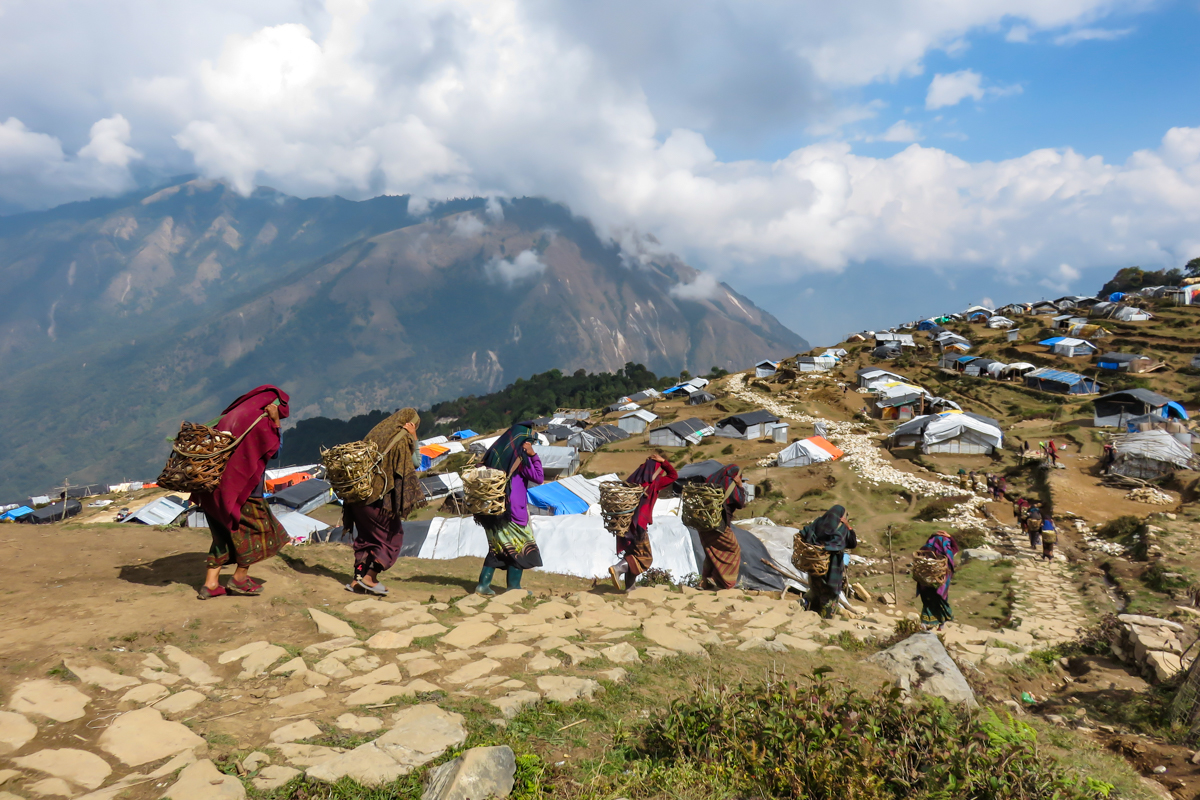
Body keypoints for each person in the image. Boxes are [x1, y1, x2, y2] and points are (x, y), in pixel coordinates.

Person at [193, 385, 291, 600]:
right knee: (264, 533)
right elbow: (275, 451)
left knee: (223, 536)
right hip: (244, 491)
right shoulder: (260, 421)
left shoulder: (229, 418)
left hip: (212, 490)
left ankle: (210, 584)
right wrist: (276, 422)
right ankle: (239, 578)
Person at [341, 408, 425, 595]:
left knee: (366, 539)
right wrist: (414, 437)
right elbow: (416, 463)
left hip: (357, 498)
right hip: (378, 499)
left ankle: (357, 581)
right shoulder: (401, 440)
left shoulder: (377, 433)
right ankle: (370, 577)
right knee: (393, 537)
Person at [474, 422, 544, 596]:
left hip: (491, 509)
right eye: (529, 441)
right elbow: (539, 477)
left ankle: (483, 585)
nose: (530, 445)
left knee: (497, 547)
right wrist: (533, 455)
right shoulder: (519, 458)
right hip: (512, 511)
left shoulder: (495, 453)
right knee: (518, 547)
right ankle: (514, 588)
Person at [609, 453, 678, 592]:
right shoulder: (655, 482)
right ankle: (618, 568)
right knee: (645, 557)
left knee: (633, 553)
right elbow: (673, 476)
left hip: (624, 523)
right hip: (638, 524)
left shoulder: (634, 478)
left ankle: (630, 587)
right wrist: (664, 462)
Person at [800, 504, 857, 617]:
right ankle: (826, 619)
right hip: (831, 570)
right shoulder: (841, 530)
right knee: (829, 597)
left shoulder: (818, 523)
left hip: (816, 567)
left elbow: (805, 532)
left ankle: (809, 610)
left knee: (816, 590)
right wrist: (848, 526)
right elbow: (852, 543)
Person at [697, 464, 747, 590]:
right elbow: (740, 502)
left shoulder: (711, 482)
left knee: (711, 552)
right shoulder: (728, 484)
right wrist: (740, 485)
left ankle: (704, 582)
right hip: (719, 525)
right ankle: (720, 580)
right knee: (733, 550)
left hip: (703, 524)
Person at [917, 531, 959, 630]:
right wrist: (950, 536)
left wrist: (932, 535)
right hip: (941, 582)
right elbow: (956, 548)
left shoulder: (926, 549)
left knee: (928, 602)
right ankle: (941, 624)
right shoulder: (947, 552)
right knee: (941, 601)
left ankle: (925, 623)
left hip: (926, 582)